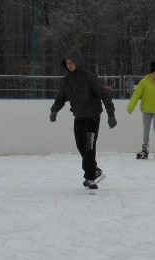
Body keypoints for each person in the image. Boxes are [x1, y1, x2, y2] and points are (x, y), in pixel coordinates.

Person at [50, 49, 117, 191]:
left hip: (92, 118)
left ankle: (90, 177)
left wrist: (111, 114)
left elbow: (104, 94)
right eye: (67, 63)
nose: (69, 65)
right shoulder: (67, 81)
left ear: (77, 62)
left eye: (72, 62)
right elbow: (61, 97)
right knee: (81, 147)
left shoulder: (88, 78)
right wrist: (54, 109)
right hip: (79, 118)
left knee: (89, 147)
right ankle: (94, 170)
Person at [127, 61, 155, 160]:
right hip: (146, 110)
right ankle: (145, 149)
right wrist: (130, 107)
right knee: (146, 129)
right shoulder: (144, 82)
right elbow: (136, 94)